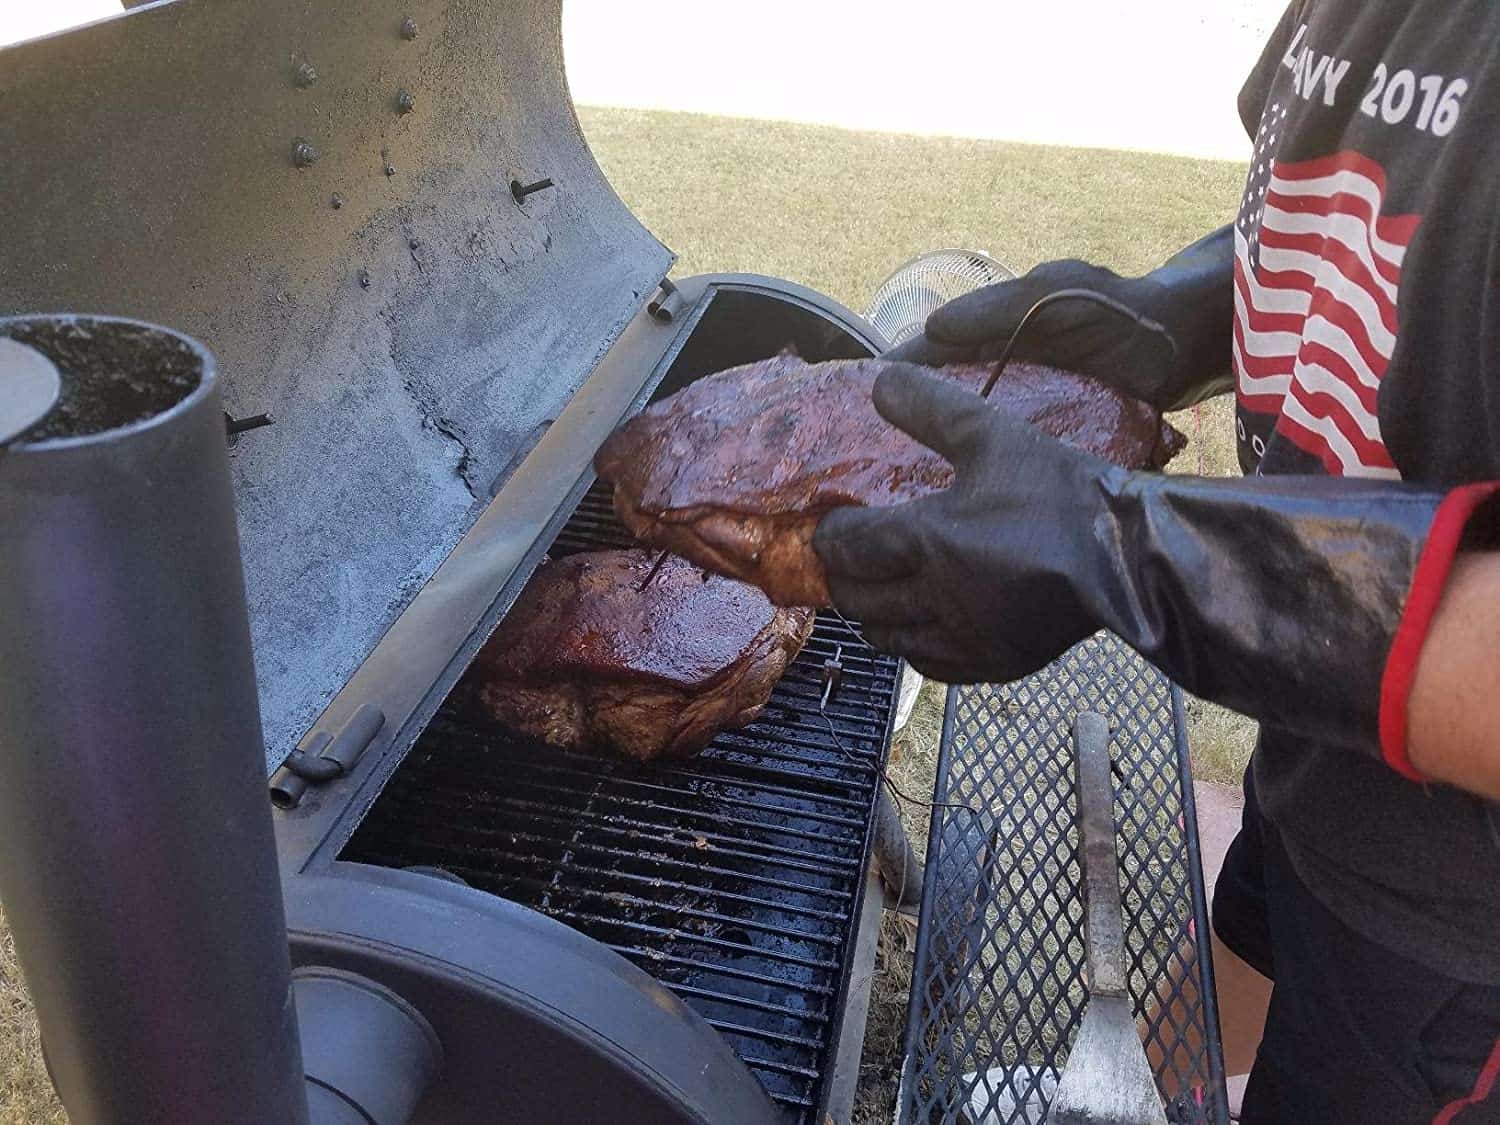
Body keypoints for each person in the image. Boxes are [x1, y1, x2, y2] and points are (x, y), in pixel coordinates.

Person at [813, 3, 1500, 1121]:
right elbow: (1336, 216)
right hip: (1321, 716)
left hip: (1460, 919)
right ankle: (1136, 1100)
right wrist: (1175, 314)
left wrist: (1128, 554)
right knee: (1250, 933)